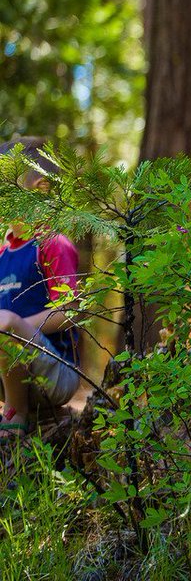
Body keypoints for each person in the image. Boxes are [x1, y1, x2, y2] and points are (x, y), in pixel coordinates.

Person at [0, 138, 82, 441]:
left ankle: (16, 413)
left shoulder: (51, 244)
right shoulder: (3, 254)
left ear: (40, 189)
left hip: (56, 374)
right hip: (10, 375)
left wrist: (15, 328)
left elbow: (70, 311)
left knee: (6, 322)